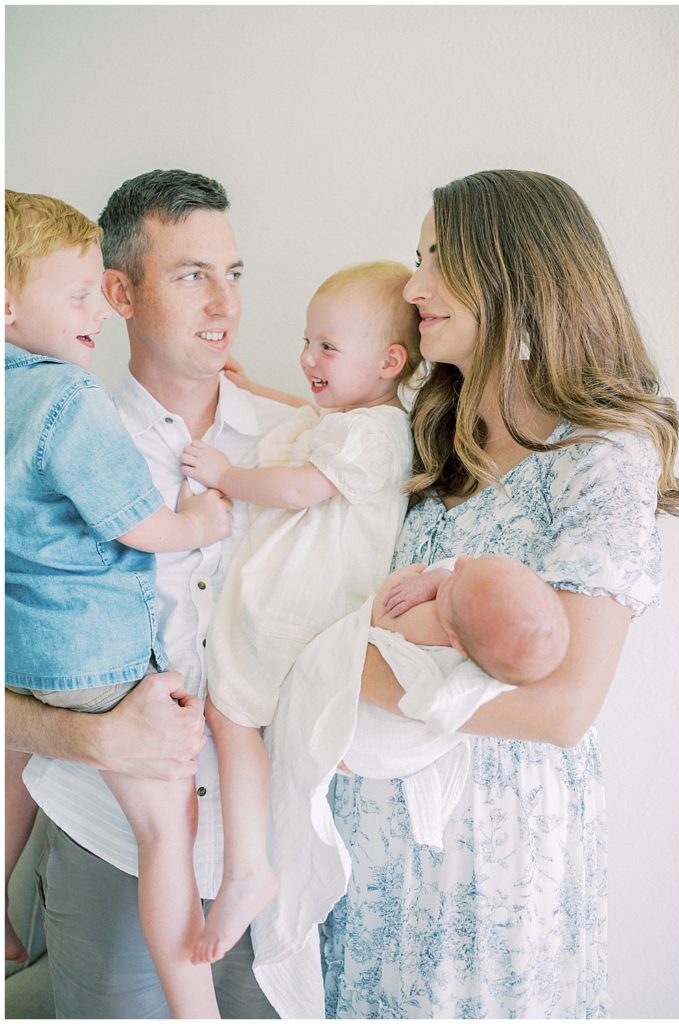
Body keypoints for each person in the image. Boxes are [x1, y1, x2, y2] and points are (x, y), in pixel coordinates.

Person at [316, 170, 679, 1019]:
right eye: (417, 258)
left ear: (516, 270)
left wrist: (341, 674)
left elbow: (560, 707)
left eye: (440, 256)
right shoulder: (428, 435)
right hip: (368, 831)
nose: (413, 287)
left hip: (494, 849)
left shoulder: (599, 455)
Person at [4, 169, 294, 1019]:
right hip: (100, 839)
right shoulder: (60, 434)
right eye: (191, 275)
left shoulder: (297, 449)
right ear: (117, 293)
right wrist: (84, 736)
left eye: (233, 274)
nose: (224, 304)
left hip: (270, 853)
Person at [179, 261, 421, 964]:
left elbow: (295, 486)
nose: (308, 358)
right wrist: (258, 393)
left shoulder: (372, 434)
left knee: (233, 715)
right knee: (237, 719)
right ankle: (249, 866)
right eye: (308, 342)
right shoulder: (360, 421)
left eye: (327, 348)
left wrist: (225, 476)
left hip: (305, 612)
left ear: (388, 361)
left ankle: (247, 868)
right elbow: (312, 425)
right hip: (307, 610)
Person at [374, 552, 570, 684]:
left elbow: (381, 618)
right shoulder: (475, 626)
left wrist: (430, 577)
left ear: (457, 643)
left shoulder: (436, 626)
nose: (461, 560)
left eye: (454, 577)